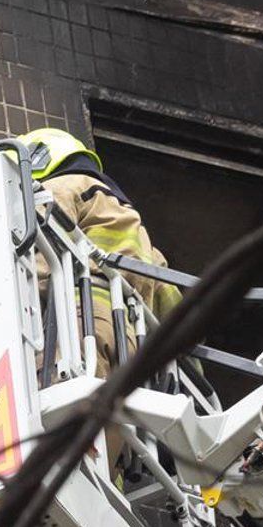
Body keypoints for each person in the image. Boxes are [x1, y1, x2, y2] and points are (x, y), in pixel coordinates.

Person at [20, 126, 181, 374]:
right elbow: (174, 310)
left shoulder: (58, 188)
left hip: (79, 320)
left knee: (59, 388)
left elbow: (36, 255)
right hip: (128, 339)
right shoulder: (138, 231)